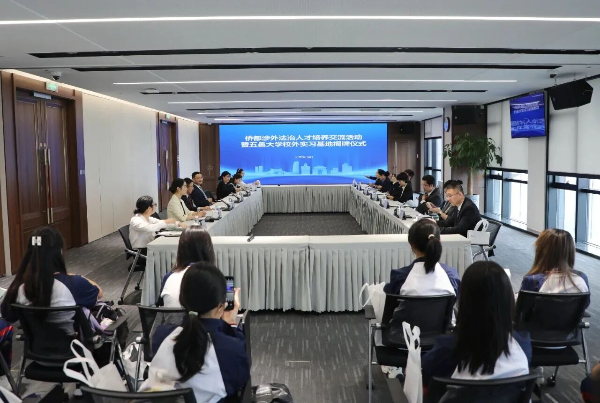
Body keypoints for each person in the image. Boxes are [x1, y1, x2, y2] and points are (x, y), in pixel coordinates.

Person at [141, 262, 251, 402]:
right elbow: (239, 381)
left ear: (182, 300)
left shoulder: (161, 336)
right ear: (220, 307)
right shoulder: (229, 348)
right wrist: (231, 324)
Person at [421, 261, 531, 395]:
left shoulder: (446, 348)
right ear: (509, 300)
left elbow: (424, 373)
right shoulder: (523, 345)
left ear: (465, 301)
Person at [1, 228, 103, 332]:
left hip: (33, 342)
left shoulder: (19, 287)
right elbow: (99, 292)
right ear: (60, 252)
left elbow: (7, 315)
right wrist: (74, 275)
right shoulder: (74, 283)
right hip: (70, 341)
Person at [384, 219, 459, 296]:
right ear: (439, 242)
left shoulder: (399, 277)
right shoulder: (452, 276)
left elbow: (390, 300)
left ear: (412, 246)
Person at [520, 229, 590, 305]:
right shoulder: (582, 278)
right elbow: (585, 304)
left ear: (541, 251)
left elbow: (522, 307)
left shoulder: (533, 281)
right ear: (570, 251)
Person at [160, 226, 216, 308]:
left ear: (181, 250)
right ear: (208, 249)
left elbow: (160, 304)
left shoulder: (169, 277)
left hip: (171, 316)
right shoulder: (213, 278)